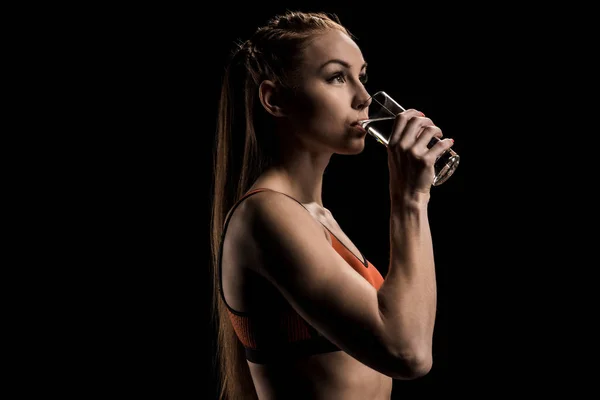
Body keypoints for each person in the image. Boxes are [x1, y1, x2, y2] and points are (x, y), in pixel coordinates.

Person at [209, 10, 454, 399]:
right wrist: (410, 198)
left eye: (363, 77)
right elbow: (408, 353)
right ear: (274, 99)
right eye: (337, 77)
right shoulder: (265, 215)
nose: (363, 98)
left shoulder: (315, 217)